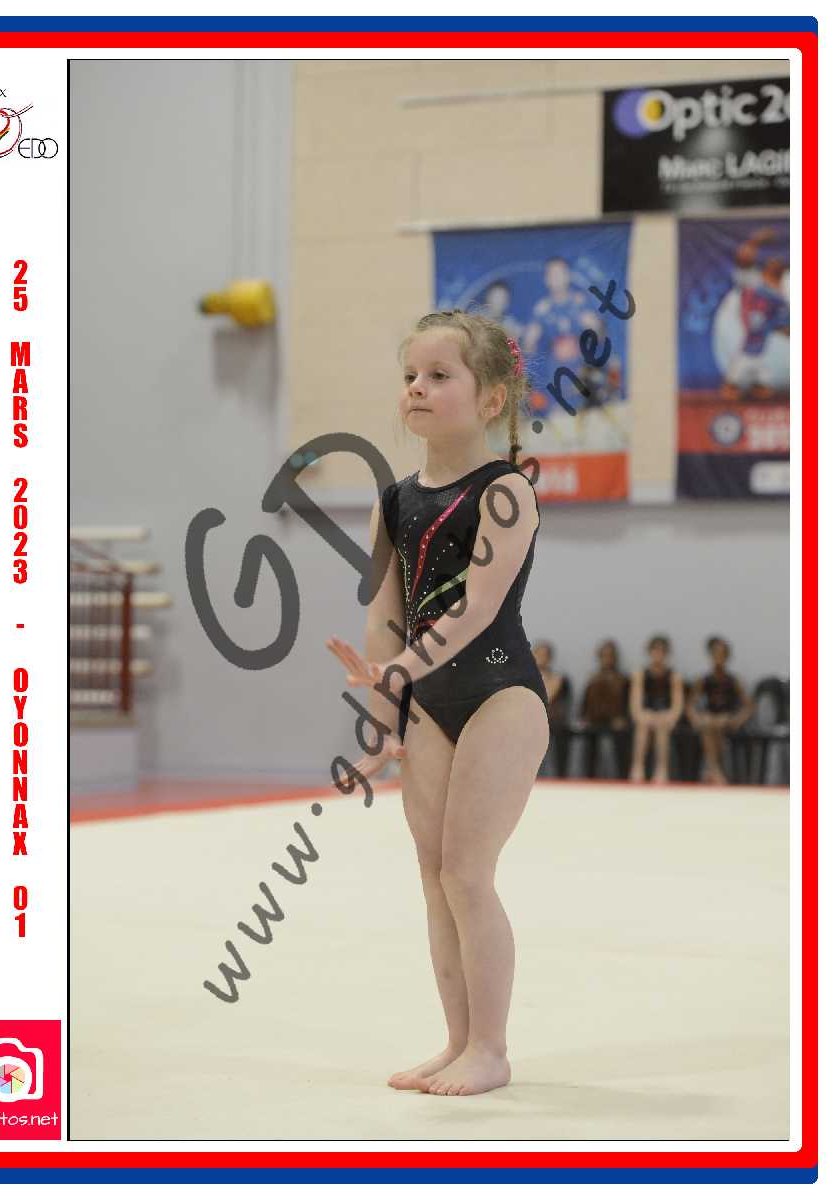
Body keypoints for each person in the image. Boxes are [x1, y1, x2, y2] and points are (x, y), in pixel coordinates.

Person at [326, 309, 549, 1097]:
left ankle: (491, 1047)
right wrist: (383, 719)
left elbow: (476, 608)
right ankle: (458, 1040)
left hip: (499, 696)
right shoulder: (393, 500)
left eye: (439, 375)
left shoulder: (506, 491)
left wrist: (398, 671)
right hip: (428, 701)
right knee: (434, 876)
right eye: (410, 376)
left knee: (467, 874)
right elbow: (385, 615)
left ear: (490, 399)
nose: (417, 388)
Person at [685, 636, 754, 784]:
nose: (718, 658)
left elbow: (749, 707)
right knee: (709, 724)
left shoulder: (733, 680)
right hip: (710, 719)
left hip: (727, 718)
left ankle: (711, 769)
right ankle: (716, 770)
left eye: (721, 655)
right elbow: (690, 705)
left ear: (727, 657)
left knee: (716, 723)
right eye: (715, 654)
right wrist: (695, 718)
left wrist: (737, 720)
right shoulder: (704, 680)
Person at [628, 634, 684, 783]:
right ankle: (637, 766)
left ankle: (661, 768)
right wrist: (641, 716)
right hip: (646, 715)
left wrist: (670, 717)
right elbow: (635, 704)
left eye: (662, 651)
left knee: (661, 725)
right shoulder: (640, 675)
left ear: (667, 653)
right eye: (655, 650)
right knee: (643, 726)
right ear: (649, 652)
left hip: (665, 717)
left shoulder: (674, 676)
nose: (658, 654)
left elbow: (678, 705)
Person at [578, 639, 631, 778]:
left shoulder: (623, 679)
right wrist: (584, 718)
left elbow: (628, 703)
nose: (607, 659)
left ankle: (623, 777)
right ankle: (589, 776)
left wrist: (624, 719)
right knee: (589, 735)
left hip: (616, 721)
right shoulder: (593, 679)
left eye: (610, 656)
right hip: (594, 721)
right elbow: (585, 703)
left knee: (622, 737)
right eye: (604, 656)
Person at [532, 641, 570, 777]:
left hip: (553, 721)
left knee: (560, 731)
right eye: (539, 654)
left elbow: (547, 696)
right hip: (530, 720)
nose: (542, 658)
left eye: (545, 655)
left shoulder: (558, 678)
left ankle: (560, 776)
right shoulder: (523, 676)